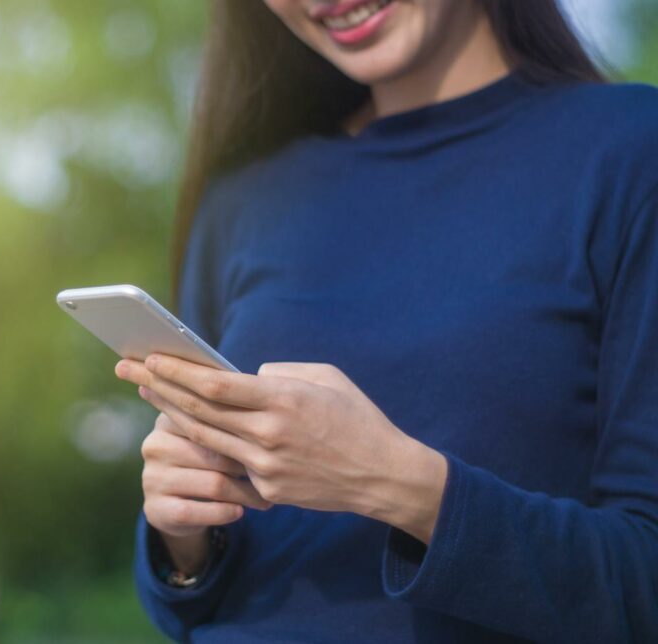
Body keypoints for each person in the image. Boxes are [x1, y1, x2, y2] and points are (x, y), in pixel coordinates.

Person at [113, 0, 658, 641]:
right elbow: (186, 605)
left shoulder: (629, 150)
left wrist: (396, 482)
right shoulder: (245, 195)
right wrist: (183, 538)